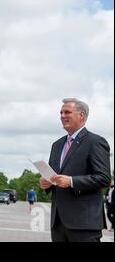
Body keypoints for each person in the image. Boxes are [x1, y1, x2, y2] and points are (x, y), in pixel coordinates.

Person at [39, 98, 111, 242]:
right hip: (58, 222)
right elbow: (54, 177)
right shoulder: (56, 145)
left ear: (81, 115)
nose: (62, 116)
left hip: (84, 223)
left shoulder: (95, 142)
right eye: (61, 113)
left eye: (67, 112)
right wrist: (46, 183)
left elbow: (103, 178)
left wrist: (72, 181)